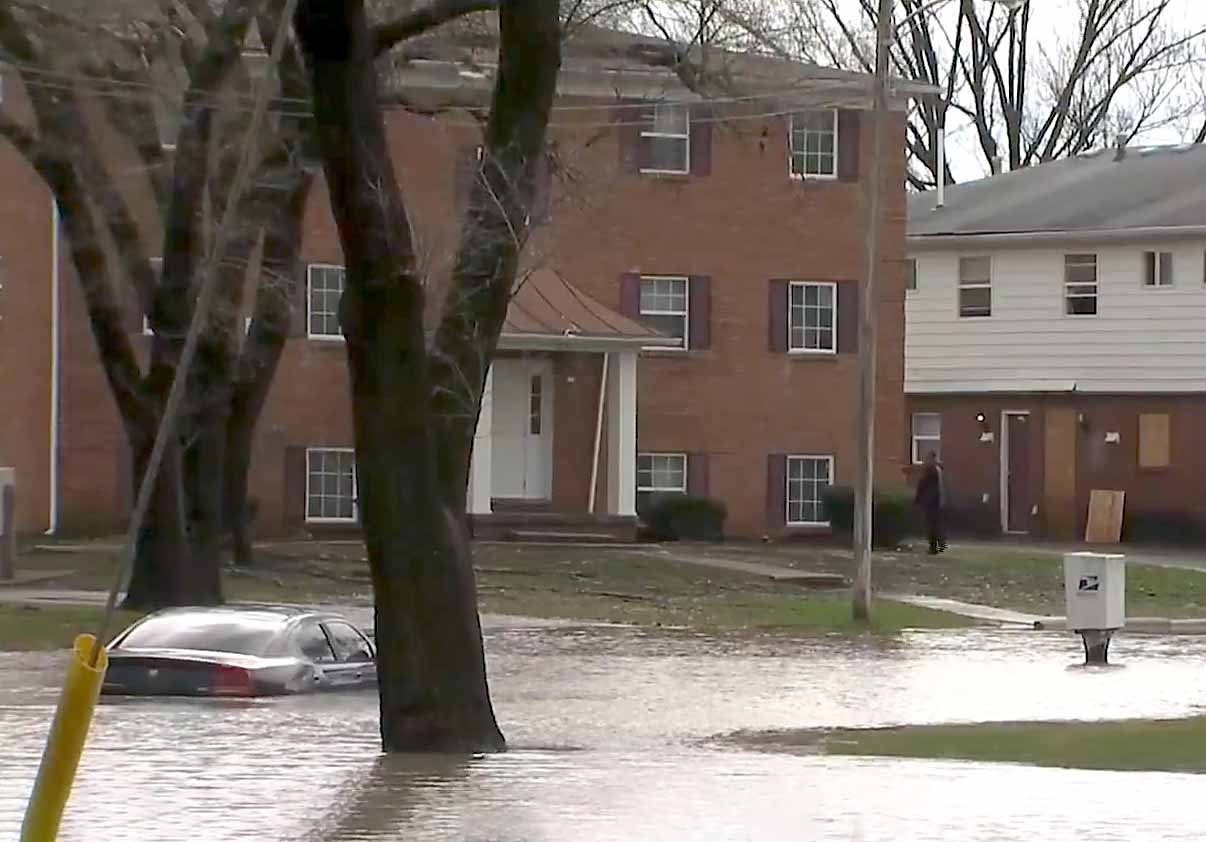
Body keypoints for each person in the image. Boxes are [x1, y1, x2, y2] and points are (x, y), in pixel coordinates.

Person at [914, 451, 947, 555]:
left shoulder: (930, 469)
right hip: (937, 501)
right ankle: (941, 544)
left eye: (927, 458)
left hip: (930, 501)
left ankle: (934, 547)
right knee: (936, 524)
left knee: (931, 525)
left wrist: (918, 499)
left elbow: (922, 484)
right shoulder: (938, 469)